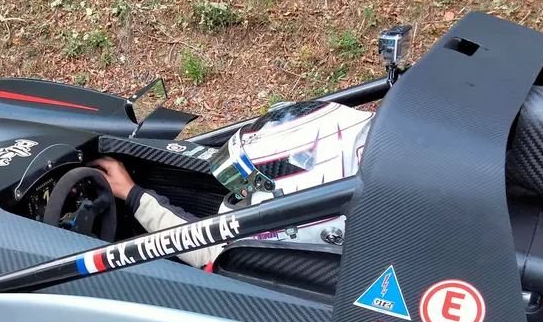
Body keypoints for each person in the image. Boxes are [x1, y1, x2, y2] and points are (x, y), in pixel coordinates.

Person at [91, 100, 373, 269]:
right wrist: (130, 192)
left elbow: (210, 251)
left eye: (255, 188)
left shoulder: (260, 267)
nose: (241, 196)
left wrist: (132, 195)